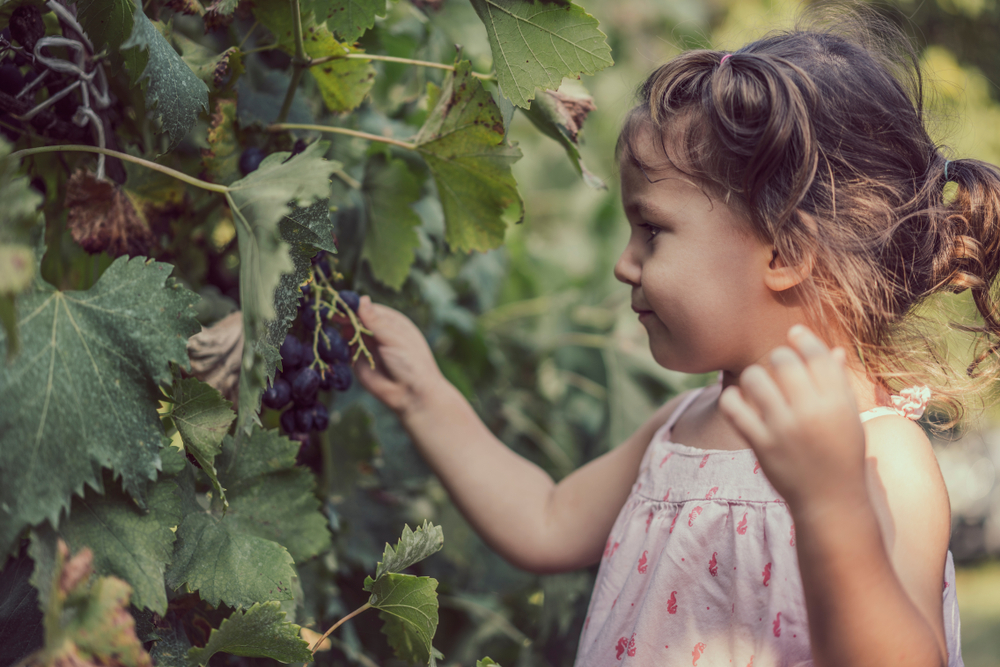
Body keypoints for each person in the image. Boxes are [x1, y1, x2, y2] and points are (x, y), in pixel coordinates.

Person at [353, 10, 1000, 666]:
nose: (623, 263)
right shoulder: (685, 425)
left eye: (652, 230)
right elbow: (545, 518)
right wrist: (423, 394)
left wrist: (831, 505)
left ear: (785, 249)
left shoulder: (881, 454)